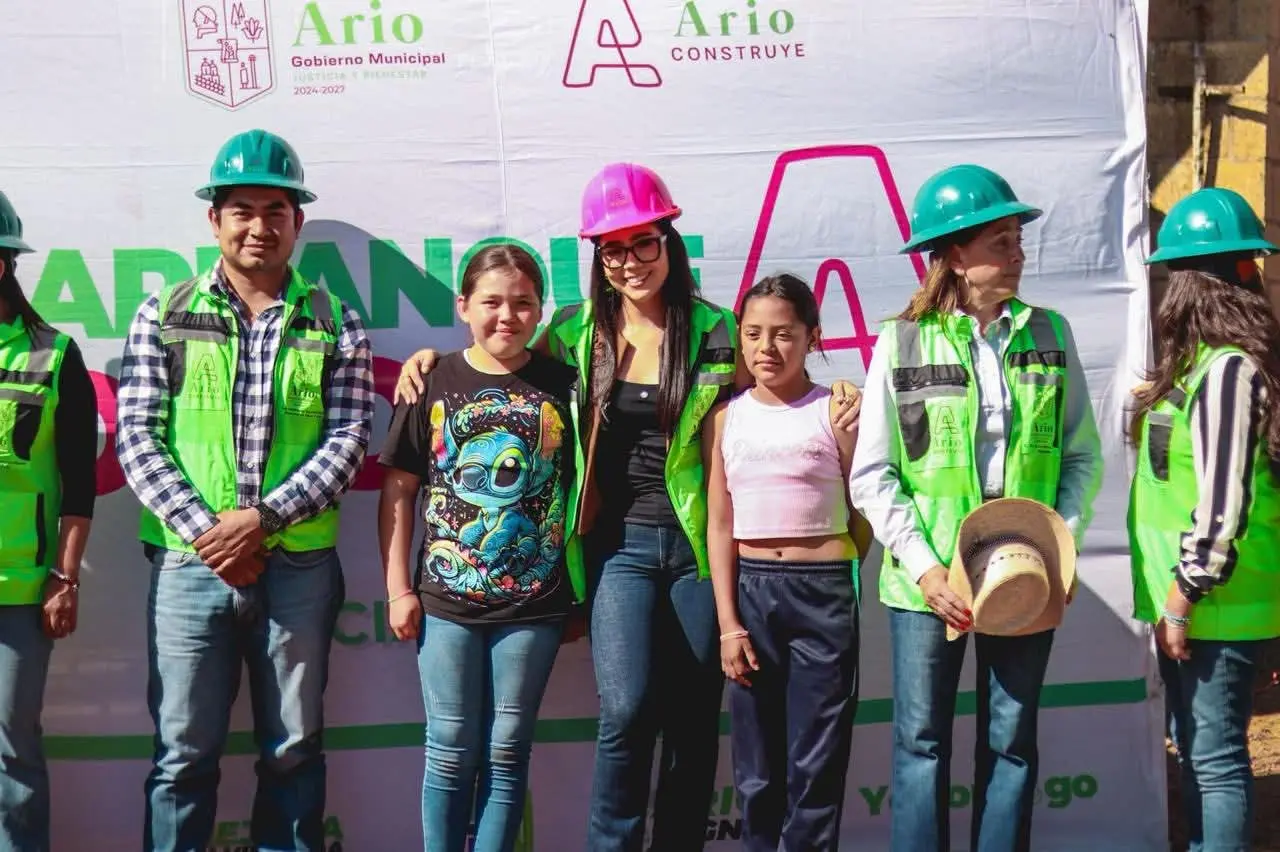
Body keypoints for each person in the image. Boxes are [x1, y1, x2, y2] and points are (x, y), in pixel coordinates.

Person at [394, 163, 860, 852]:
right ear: (598, 259)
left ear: (669, 242)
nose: (631, 261)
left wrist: (836, 389)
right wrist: (429, 359)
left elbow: (773, 391)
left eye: (645, 242)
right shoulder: (575, 334)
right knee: (627, 709)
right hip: (618, 549)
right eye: (613, 248)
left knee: (695, 717)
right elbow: (503, 362)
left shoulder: (716, 331)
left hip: (703, 548)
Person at [115, 129, 375, 852]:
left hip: (296, 567)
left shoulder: (334, 321)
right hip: (188, 568)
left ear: (296, 222)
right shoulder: (163, 314)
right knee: (182, 757)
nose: (259, 226)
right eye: (242, 210)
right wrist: (211, 534)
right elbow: (137, 436)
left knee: (292, 750)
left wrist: (258, 523)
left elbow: (349, 440)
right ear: (215, 220)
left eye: (275, 211)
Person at [848, 163, 1102, 852]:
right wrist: (931, 572)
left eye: (1018, 239)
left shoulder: (1050, 333)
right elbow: (873, 475)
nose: (1018, 253)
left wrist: (1060, 546)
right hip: (928, 586)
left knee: (1012, 739)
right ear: (955, 255)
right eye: (1002, 241)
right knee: (921, 743)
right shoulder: (901, 342)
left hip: (1025, 573)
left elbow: (1082, 456)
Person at [377, 244, 579, 852]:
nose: (507, 317)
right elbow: (399, 490)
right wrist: (397, 590)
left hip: (535, 606)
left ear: (541, 312)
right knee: (448, 749)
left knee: (507, 749)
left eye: (523, 304)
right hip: (446, 605)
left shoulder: (566, 387)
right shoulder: (432, 381)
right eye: (491, 302)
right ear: (463, 306)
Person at [1128, 187, 1280, 852]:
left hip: (1216, 603)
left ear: (1185, 283)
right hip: (1204, 601)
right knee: (1197, 753)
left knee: (1214, 762)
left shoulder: (1228, 373)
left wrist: (1184, 595)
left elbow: (1224, 504)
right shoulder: (1205, 369)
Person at [703, 274, 861, 852]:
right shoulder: (725, 418)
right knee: (757, 762)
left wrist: (835, 562)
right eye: (753, 333)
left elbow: (863, 505)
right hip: (751, 593)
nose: (767, 348)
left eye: (784, 334)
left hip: (823, 591)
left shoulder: (837, 411)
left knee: (816, 758)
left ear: (812, 336)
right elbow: (719, 523)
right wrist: (728, 623)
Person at [0, 190, 96, 852]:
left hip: (19, 588)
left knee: (13, 753)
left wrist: (65, 575)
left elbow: (77, 484)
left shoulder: (53, 355)